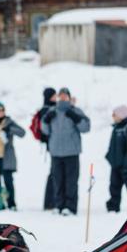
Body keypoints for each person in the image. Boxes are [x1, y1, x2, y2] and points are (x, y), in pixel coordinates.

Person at [40, 87, 90, 216]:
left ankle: (70, 207)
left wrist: (76, 118)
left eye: (65, 96)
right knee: (57, 181)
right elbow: (45, 130)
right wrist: (45, 120)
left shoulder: (75, 110)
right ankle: (58, 205)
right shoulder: (52, 111)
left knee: (71, 181)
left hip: (71, 152)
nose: (62, 98)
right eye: (60, 96)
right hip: (56, 152)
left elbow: (86, 127)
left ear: (69, 97)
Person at [0, 102, 26, 210]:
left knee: (8, 181)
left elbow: (22, 132)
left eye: (2, 110)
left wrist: (9, 130)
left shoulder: (9, 123)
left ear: (4, 111)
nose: (0, 112)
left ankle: (11, 204)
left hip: (6, 158)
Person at [35, 87, 57, 210]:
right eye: (54, 95)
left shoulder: (47, 108)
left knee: (53, 172)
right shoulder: (47, 110)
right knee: (54, 173)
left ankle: (50, 202)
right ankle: (50, 202)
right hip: (53, 146)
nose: (56, 98)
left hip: (53, 145)